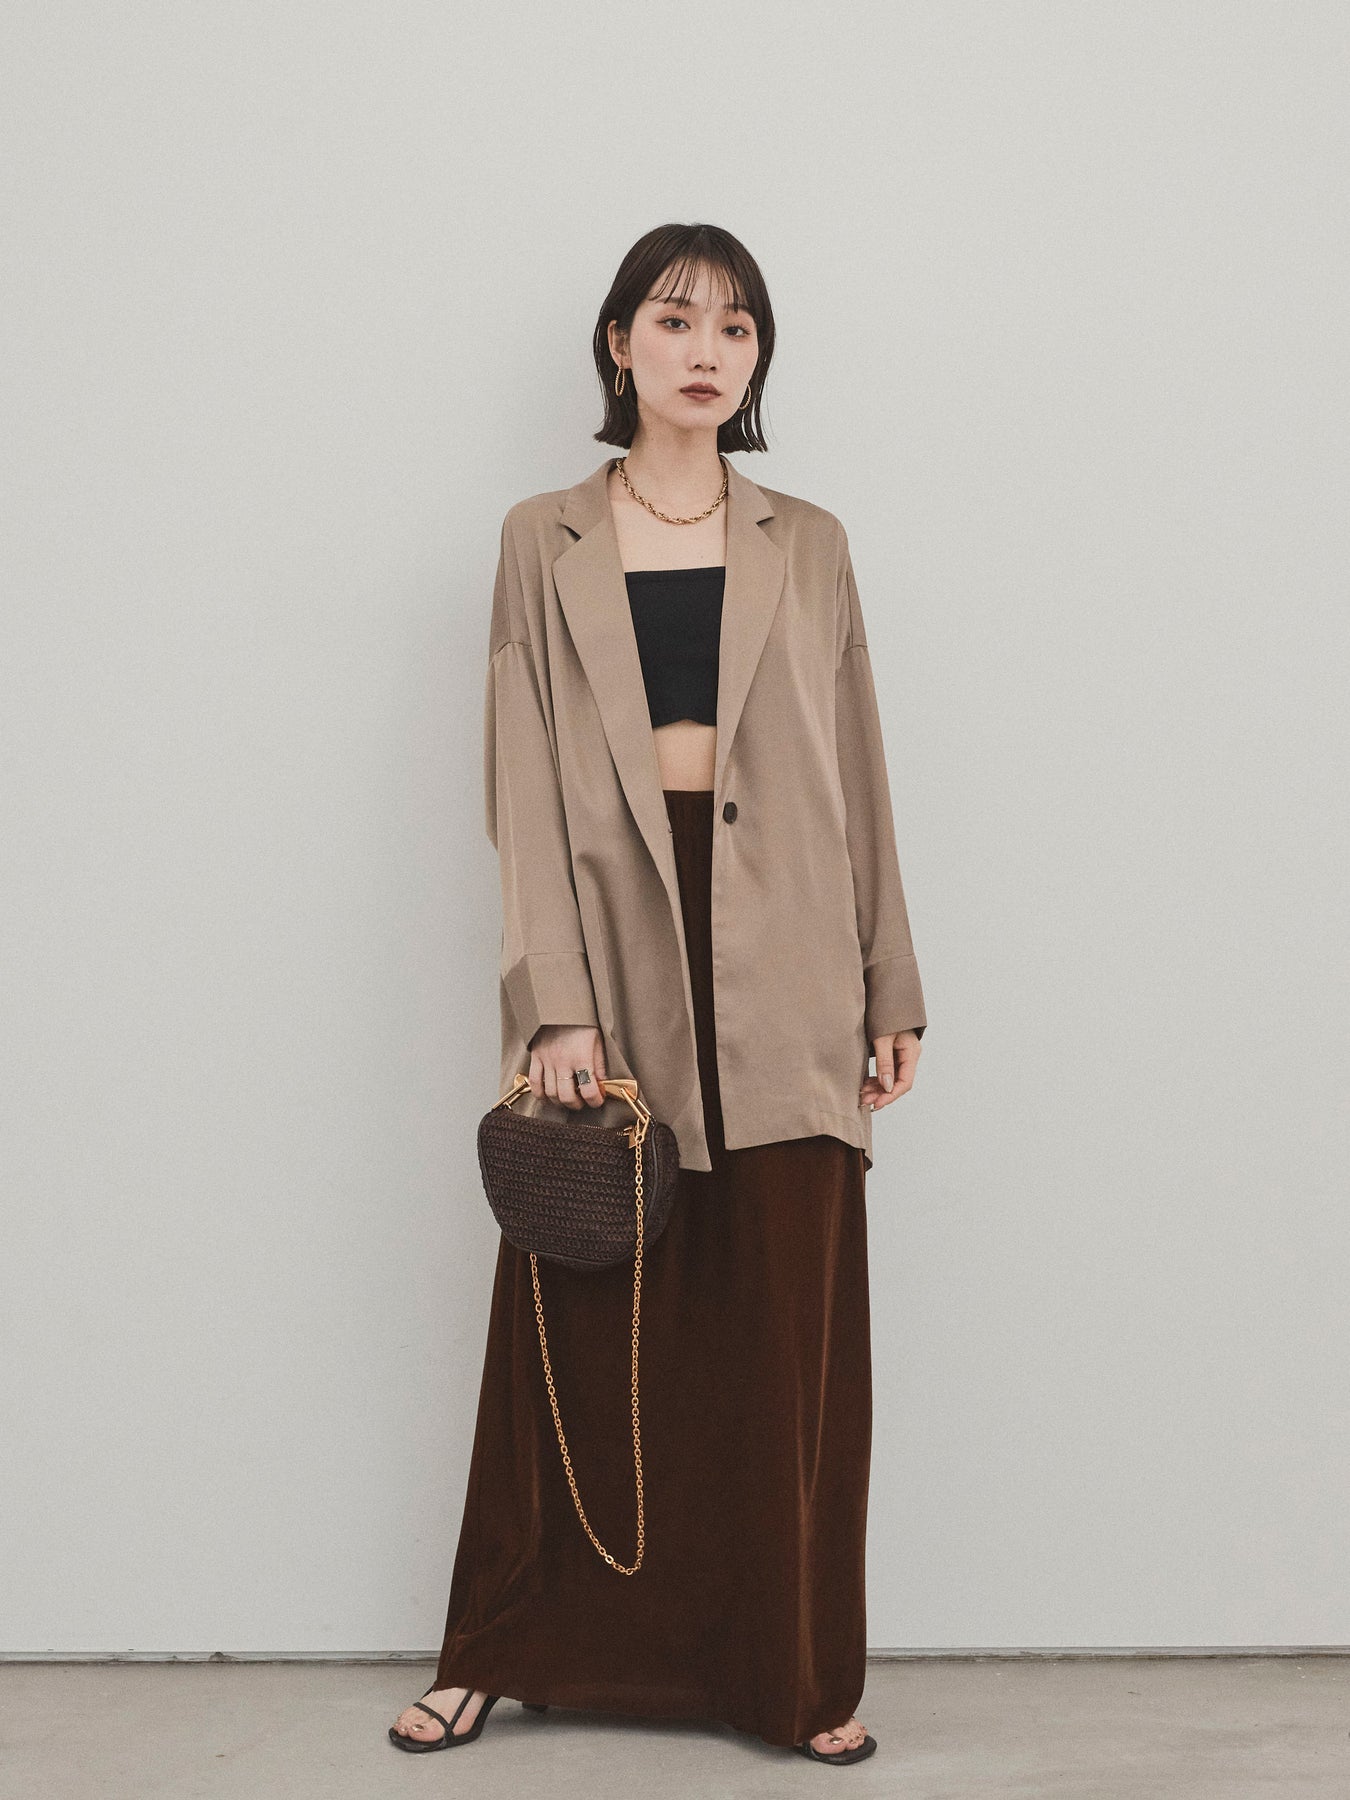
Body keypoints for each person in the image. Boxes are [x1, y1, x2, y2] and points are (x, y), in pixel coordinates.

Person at [389, 222, 926, 1767]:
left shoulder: (806, 539)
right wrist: (551, 999)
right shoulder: (542, 536)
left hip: (793, 952)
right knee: (573, 1306)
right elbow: (524, 777)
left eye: (737, 327)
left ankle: (789, 1672)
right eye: (677, 319)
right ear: (618, 342)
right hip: (614, 944)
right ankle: (498, 1648)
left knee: (781, 1335)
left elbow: (858, 768)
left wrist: (889, 983)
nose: (707, 350)